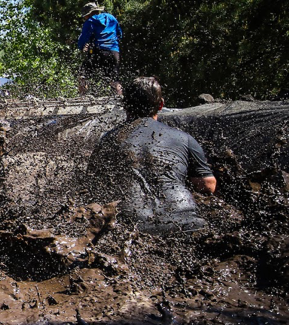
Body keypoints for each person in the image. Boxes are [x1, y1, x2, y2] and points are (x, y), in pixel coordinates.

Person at [89, 77, 216, 234]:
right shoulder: (184, 138)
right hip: (186, 222)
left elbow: (92, 187)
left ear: (125, 105)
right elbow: (208, 185)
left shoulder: (108, 141)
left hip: (134, 228)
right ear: (161, 104)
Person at [77, 2, 123, 95]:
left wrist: (82, 47)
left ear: (89, 14)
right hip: (114, 53)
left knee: (83, 74)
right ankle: (120, 99)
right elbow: (119, 35)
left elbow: (83, 40)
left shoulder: (90, 21)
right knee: (114, 79)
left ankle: (82, 97)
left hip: (99, 51)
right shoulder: (111, 18)